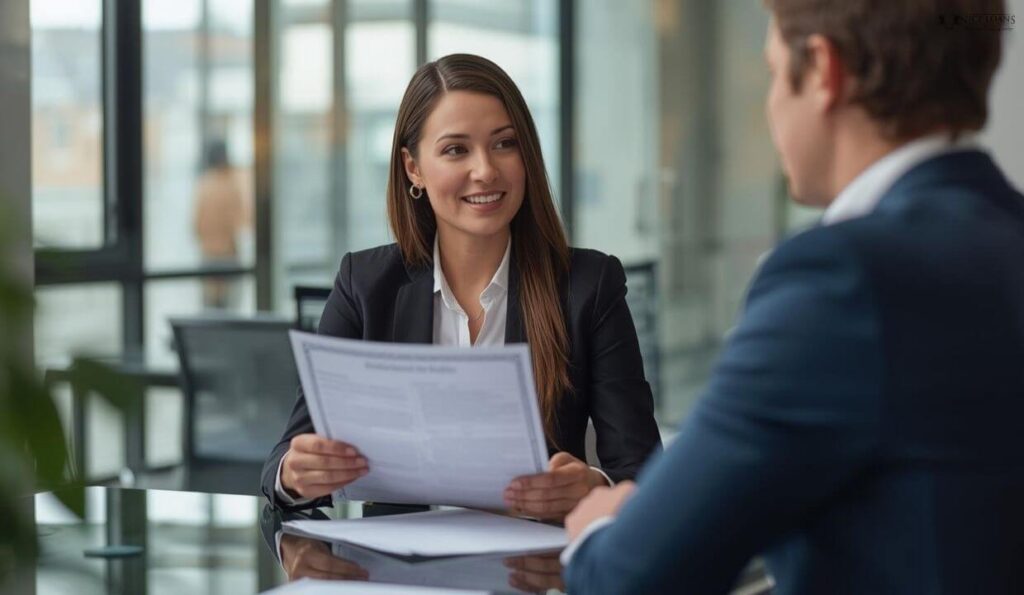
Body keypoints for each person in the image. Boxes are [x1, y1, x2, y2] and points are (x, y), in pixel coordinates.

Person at [563, 0, 1024, 593]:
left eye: (777, 72)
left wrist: (601, 529)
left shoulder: (841, 278)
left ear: (824, 71)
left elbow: (631, 578)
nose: (772, 103)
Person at [260, 54, 661, 520]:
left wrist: (593, 487)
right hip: (395, 572)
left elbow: (644, 473)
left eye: (505, 144)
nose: (486, 170)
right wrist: (296, 473)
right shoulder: (365, 285)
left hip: (533, 573)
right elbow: (282, 464)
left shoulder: (588, 287)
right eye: (456, 150)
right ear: (413, 168)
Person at [193, 139, 250, 308]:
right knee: (231, 315)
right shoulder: (231, 186)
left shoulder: (203, 185)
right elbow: (241, 222)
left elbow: (196, 225)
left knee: (210, 314)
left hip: (208, 258)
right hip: (228, 257)